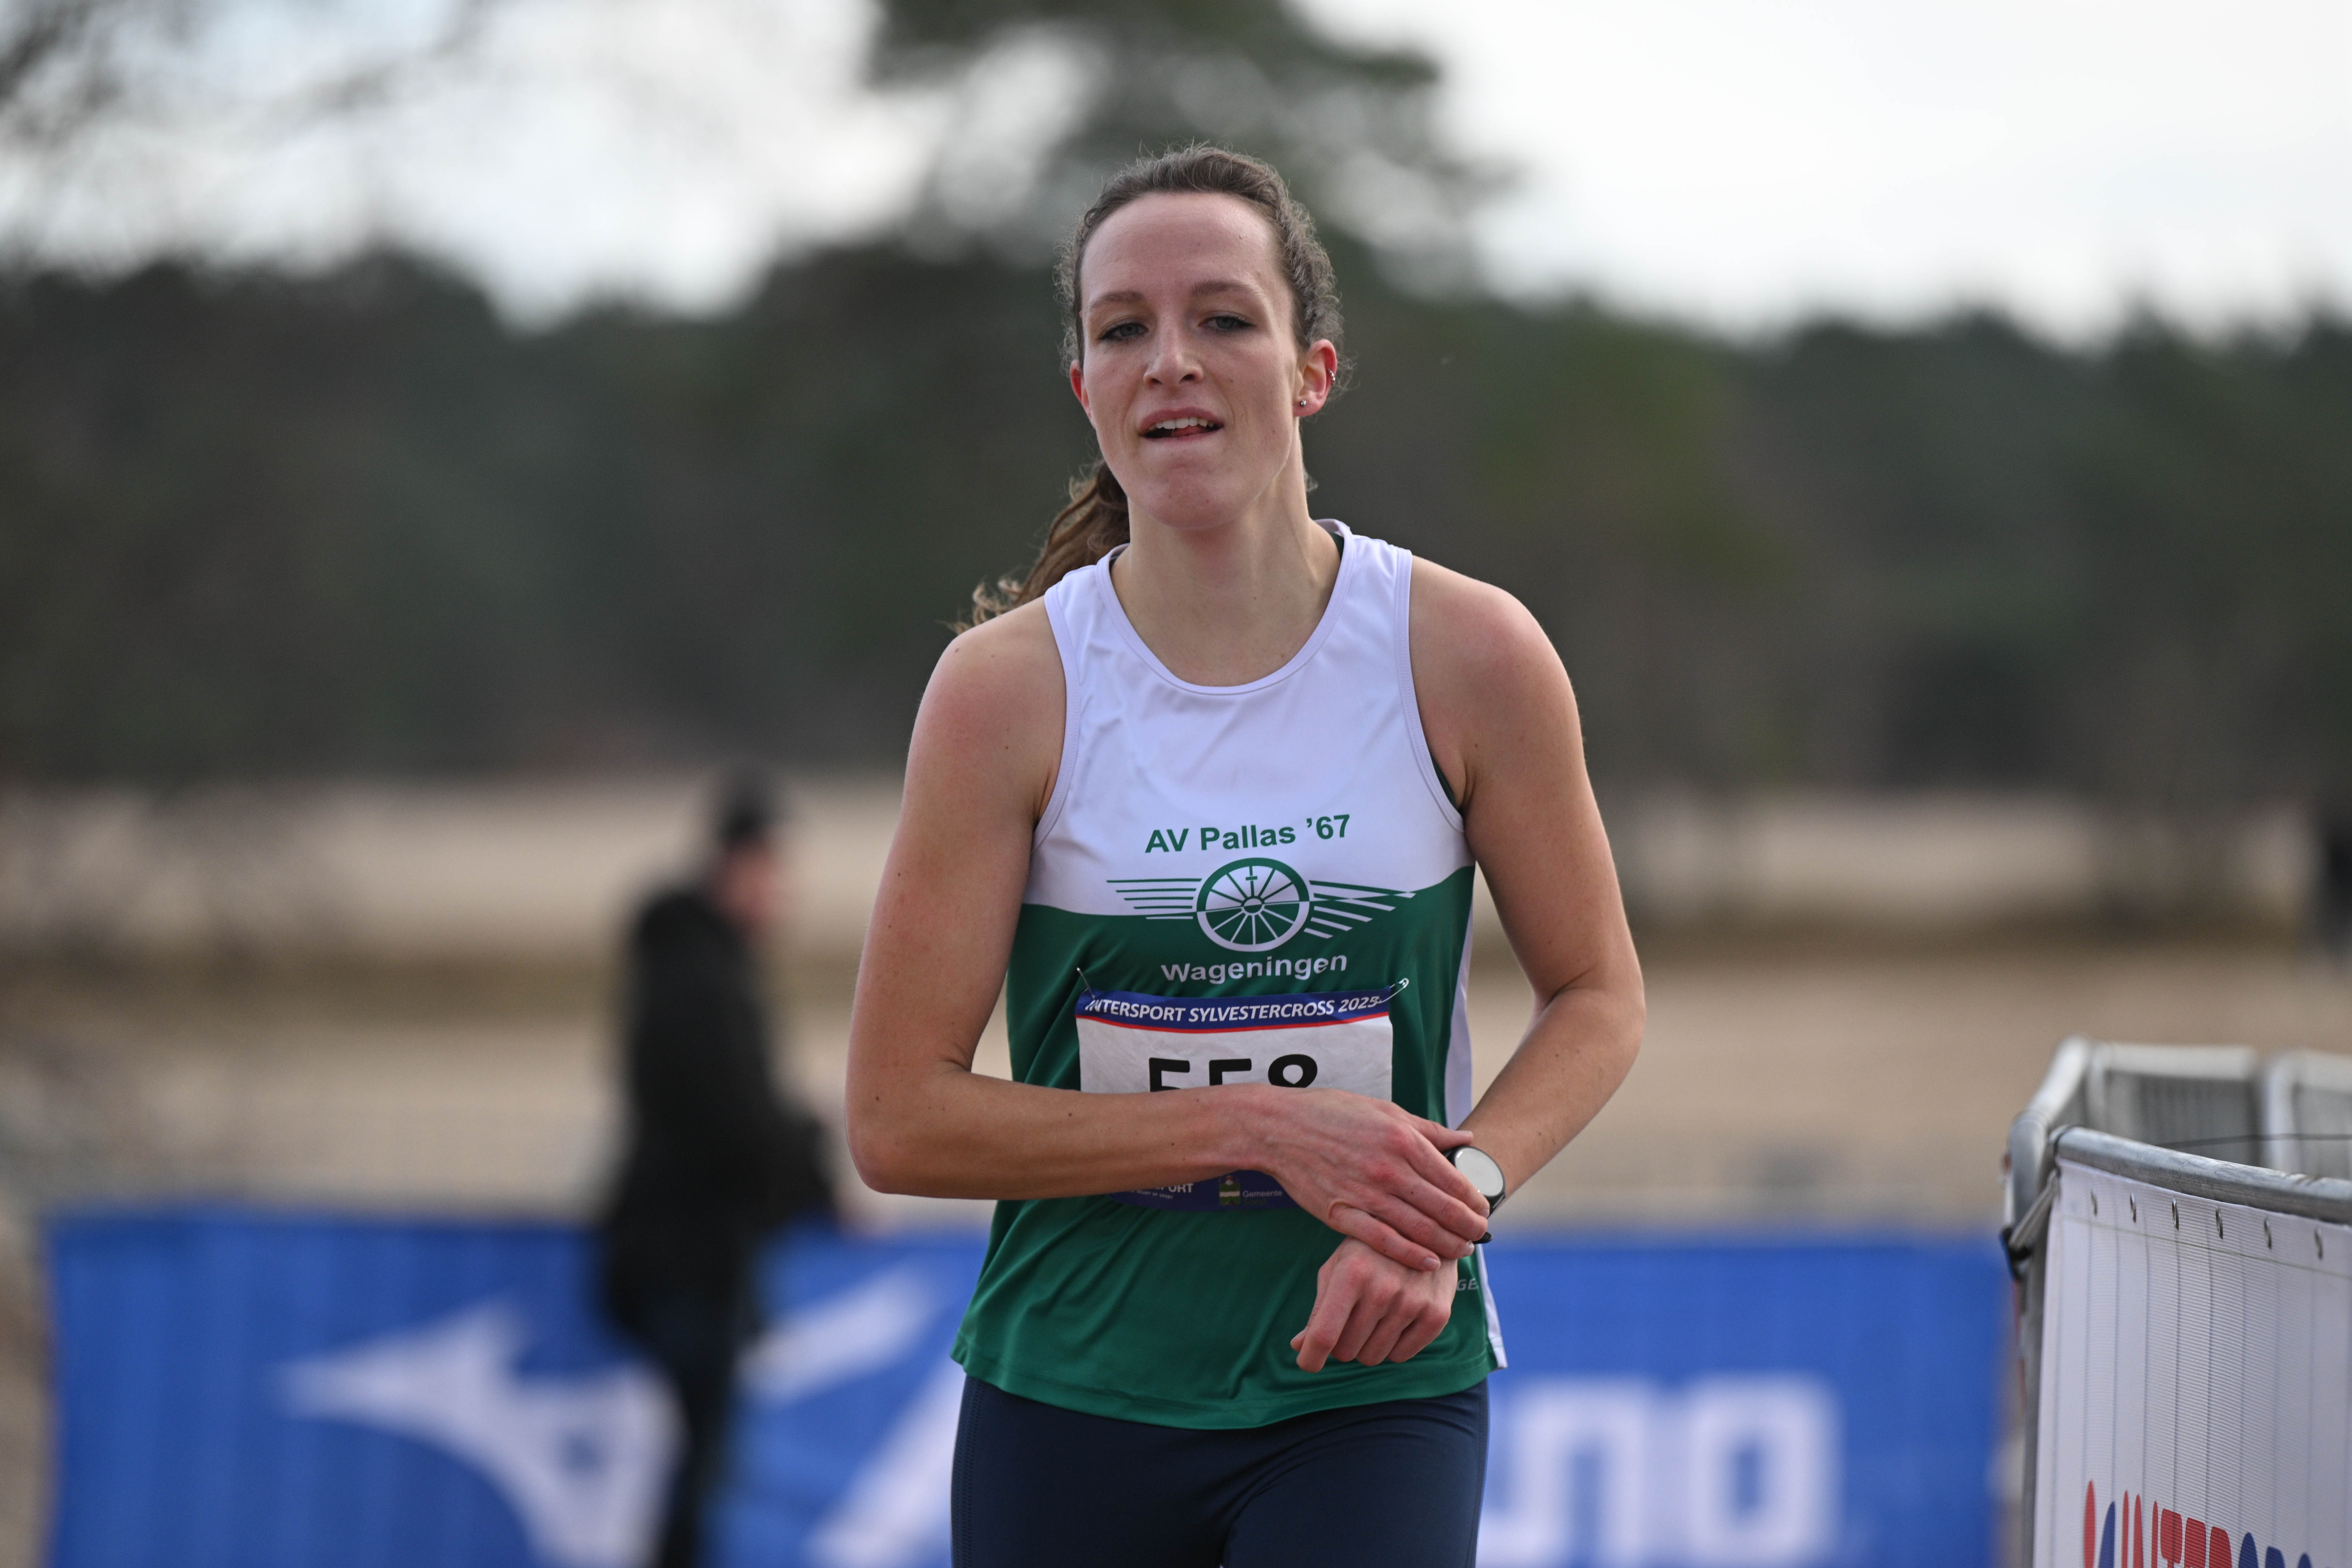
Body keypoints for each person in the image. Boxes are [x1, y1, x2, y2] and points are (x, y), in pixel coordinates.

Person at [846, 147, 1644, 1567]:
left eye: (1222, 317)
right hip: (1072, 1395)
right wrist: (1260, 1128)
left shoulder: (1467, 653)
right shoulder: (1005, 691)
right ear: (1084, 388)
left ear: (1311, 369)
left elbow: (1597, 996)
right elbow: (898, 1120)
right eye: (1122, 329)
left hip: (1371, 1389)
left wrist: (1452, 1199)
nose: (1170, 359)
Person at [597, 776, 835, 1568]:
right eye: (774, 872)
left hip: (669, 1248)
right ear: (740, 865)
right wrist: (817, 1174)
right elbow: (738, 1122)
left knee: (699, 1459)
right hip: (691, 1256)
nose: (782, 895)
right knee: (702, 1463)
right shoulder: (704, 979)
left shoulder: (682, 965)